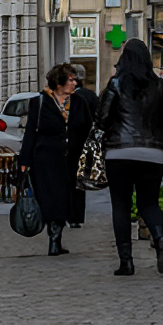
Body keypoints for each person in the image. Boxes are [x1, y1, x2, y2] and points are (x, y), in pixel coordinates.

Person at [95, 37, 163, 277]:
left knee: (120, 205)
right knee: (148, 202)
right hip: (152, 152)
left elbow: (102, 118)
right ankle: (160, 239)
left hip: (119, 151)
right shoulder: (160, 86)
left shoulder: (116, 84)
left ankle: (126, 262)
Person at [19, 63, 78, 255]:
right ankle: (54, 239)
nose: (75, 83)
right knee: (49, 198)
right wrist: (24, 161)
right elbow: (30, 132)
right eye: (71, 79)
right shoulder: (41, 102)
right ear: (59, 82)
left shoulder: (77, 102)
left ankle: (56, 239)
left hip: (67, 158)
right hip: (43, 158)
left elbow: (87, 127)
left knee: (63, 198)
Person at [64, 61, 97, 228]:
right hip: (83, 145)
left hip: (70, 145)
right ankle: (76, 216)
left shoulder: (69, 98)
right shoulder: (90, 96)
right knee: (78, 182)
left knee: (67, 181)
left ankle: (65, 215)